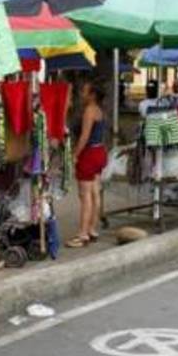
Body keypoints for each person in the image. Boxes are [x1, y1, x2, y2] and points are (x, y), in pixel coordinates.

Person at [68, 81, 107, 248]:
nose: (81, 94)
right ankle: (92, 229)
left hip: (89, 153)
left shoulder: (89, 111)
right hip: (99, 151)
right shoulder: (99, 111)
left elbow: (84, 136)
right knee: (95, 193)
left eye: (84, 91)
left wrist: (75, 155)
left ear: (92, 95)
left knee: (85, 196)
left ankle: (82, 234)